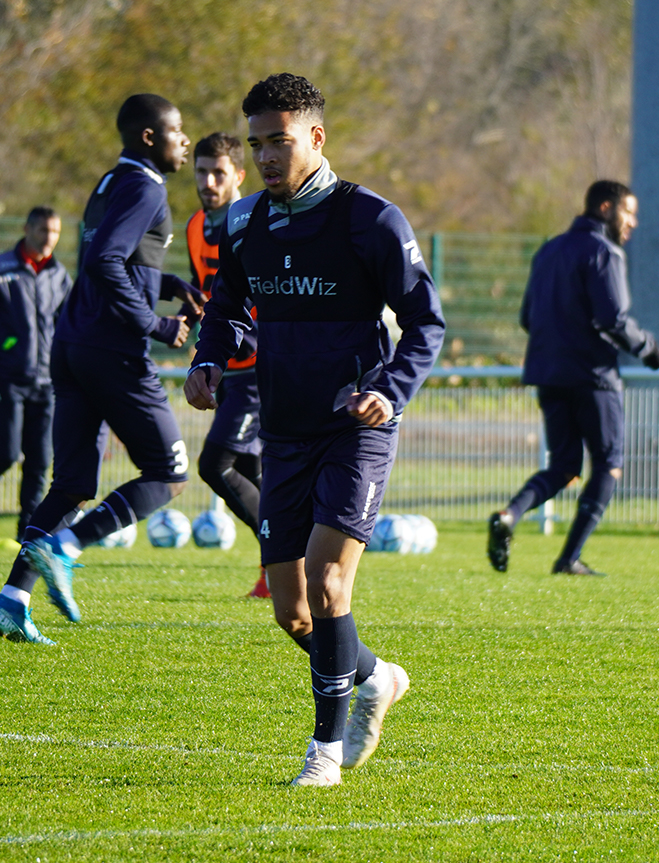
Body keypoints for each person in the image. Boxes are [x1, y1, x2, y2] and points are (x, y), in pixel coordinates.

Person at [184, 74, 445, 786]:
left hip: (356, 427)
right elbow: (227, 304)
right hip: (286, 431)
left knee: (331, 586)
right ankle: (377, 677)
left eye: (281, 141)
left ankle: (324, 752)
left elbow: (427, 324)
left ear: (316, 138)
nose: (268, 157)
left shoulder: (370, 220)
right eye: (258, 144)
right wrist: (209, 358)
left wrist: (388, 392)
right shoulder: (243, 225)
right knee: (294, 614)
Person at [0, 93, 204, 644]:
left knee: (74, 483)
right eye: (177, 130)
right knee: (169, 474)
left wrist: (169, 284)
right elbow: (107, 260)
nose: (185, 139)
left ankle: (12, 601)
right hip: (112, 350)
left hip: (73, 343)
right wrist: (155, 323)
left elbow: (115, 258)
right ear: (148, 137)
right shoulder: (146, 187)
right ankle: (66, 547)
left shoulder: (110, 182)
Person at [486, 180, 659, 576]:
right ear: (605, 208)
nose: (632, 222)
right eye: (629, 212)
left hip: (548, 374)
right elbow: (612, 319)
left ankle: (509, 515)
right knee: (609, 462)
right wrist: (648, 347)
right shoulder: (604, 252)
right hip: (594, 377)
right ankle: (568, 559)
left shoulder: (549, 250)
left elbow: (527, 317)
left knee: (564, 465)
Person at [0, 207, 70, 543]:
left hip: (47, 382)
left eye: (55, 232)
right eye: (43, 231)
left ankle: (27, 536)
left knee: (39, 461)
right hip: (7, 378)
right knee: (6, 453)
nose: (49, 238)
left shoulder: (59, 275)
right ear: (27, 229)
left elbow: (69, 326)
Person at [186, 132, 268, 598]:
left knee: (216, 464)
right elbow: (212, 295)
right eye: (201, 171)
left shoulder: (256, 219)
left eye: (218, 173)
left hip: (259, 365)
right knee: (252, 472)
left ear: (238, 174)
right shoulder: (197, 226)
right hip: (226, 366)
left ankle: (287, 555)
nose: (209, 181)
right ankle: (274, 574)